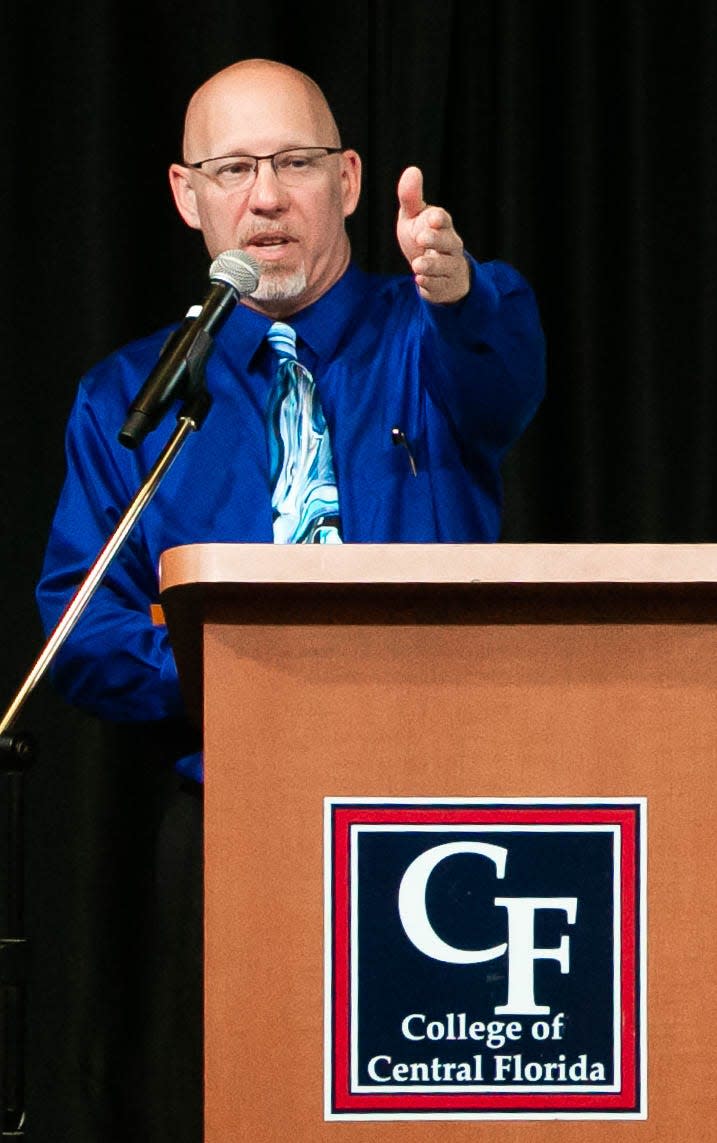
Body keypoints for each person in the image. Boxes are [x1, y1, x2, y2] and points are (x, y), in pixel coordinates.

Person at [34, 58, 545, 1141]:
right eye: (233, 168)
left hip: (439, 811)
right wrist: (249, 673)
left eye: (296, 163)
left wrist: (460, 294)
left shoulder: (429, 337)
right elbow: (80, 625)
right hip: (233, 820)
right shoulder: (134, 395)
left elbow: (506, 377)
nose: (266, 197)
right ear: (187, 195)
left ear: (350, 180)